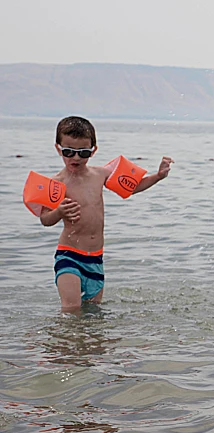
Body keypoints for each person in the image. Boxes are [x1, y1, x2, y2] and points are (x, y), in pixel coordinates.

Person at [39, 116, 174, 313]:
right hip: (69, 255)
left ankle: (90, 343)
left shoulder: (100, 174)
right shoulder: (56, 184)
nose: (75, 158)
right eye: (69, 152)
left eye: (83, 152)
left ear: (93, 150)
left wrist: (158, 176)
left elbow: (131, 188)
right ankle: (64, 343)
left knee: (93, 313)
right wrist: (59, 212)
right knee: (71, 309)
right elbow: (45, 220)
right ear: (58, 148)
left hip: (95, 258)